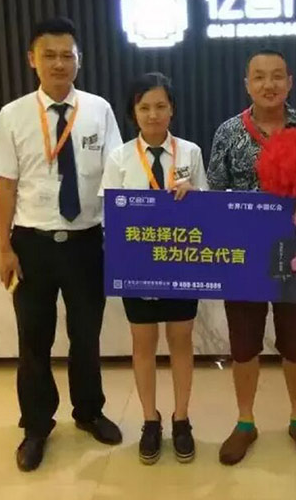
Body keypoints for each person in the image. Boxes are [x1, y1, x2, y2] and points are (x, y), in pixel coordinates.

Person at [0, 17, 124, 472]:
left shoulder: (99, 110)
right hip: (32, 244)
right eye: (50, 55)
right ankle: (36, 425)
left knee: (87, 335)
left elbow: (117, 177)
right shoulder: (13, 115)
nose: (59, 63)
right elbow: (5, 186)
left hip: (87, 243)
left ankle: (89, 411)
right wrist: (4, 248)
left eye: (68, 55)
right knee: (33, 340)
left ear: (79, 61)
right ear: (32, 60)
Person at [207, 49, 296, 465]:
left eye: (277, 76)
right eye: (259, 77)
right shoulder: (227, 132)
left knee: (295, 342)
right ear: (247, 84)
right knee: (244, 345)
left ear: (290, 82)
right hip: (243, 258)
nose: (268, 84)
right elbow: (215, 195)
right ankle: (245, 422)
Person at [99, 72, 208, 465]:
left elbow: (208, 207)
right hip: (138, 265)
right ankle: (150, 419)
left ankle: (181, 418)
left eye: (161, 106)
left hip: (182, 263)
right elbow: (109, 212)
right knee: (143, 343)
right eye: (144, 107)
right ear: (133, 112)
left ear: (172, 109)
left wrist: (195, 195)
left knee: (181, 340)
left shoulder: (190, 153)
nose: (153, 114)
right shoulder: (119, 157)